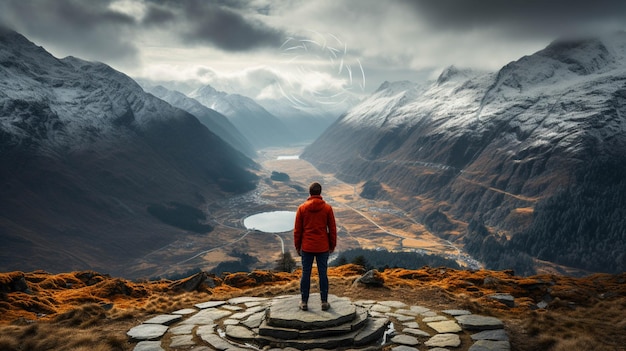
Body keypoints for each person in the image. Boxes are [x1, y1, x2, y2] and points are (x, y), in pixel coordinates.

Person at [294, 182, 337, 311]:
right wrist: (332, 245)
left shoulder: (302, 208)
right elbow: (332, 229)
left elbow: (297, 230)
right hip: (322, 247)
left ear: (310, 193)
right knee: (323, 274)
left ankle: (304, 302)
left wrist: (298, 246)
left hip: (307, 247)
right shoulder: (327, 208)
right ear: (320, 193)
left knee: (305, 274)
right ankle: (324, 301)